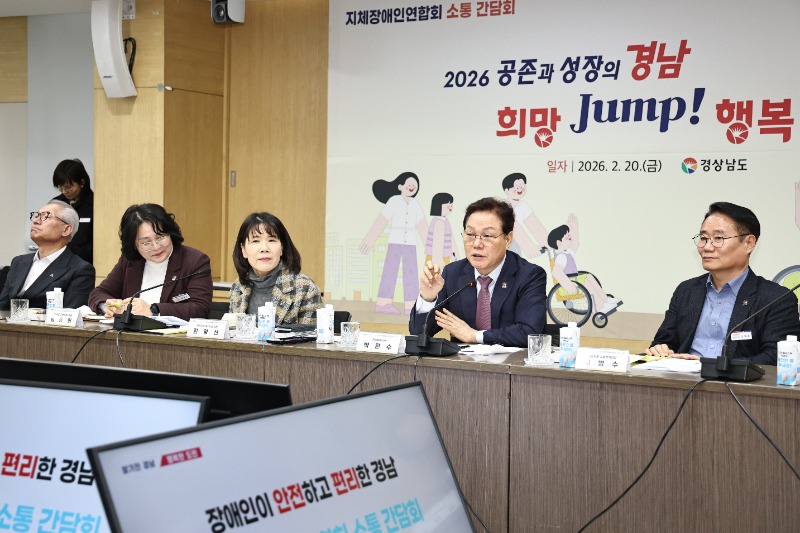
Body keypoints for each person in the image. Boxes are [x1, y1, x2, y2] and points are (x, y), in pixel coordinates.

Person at [646, 202, 800, 365]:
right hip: (683, 380)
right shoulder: (686, 291)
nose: (707, 247)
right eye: (703, 238)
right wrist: (660, 349)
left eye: (718, 238)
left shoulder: (776, 298)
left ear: (749, 243)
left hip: (736, 382)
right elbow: (664, 342)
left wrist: (712, 366)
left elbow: (775, 358)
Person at [409, 197, 547, 347]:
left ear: (508, 239)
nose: (476, 244)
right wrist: (428, 298)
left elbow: (529, 333)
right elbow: (419, 333)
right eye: (470, 234)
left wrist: (475, 336)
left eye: (487, 236)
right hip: (463, 361)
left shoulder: (529, 276)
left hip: (511, 361)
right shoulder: (452, 273)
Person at [88, 204, 212, 321]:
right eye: (146, 243)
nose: (156, 247)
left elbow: (200, 308)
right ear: (134, 245)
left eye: (160, 237)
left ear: (170, 233)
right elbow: (98, 293)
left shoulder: (194, 261)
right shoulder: (130, 261)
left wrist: (153, 310)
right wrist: (108, 307)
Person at [229, 212, 322, 324]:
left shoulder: (305, 288)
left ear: (282, 248)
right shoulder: (238, 287)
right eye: (256, 241)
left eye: (271, 240)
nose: (264, 248)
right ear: (243, 250)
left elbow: (310, 334)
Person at [0, 201, 95, 310]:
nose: (35, 221)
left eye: (46, 216)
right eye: (36, 216)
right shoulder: (19, 262)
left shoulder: (80, 269)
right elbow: (2, 306)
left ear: (66, 230)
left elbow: (70, 315)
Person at [360, 172, 427, 315]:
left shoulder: (415, 204)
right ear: (400, 186)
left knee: (411, 274)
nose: (412, 187)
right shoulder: (394, 201)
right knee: (390, 272)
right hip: (395, 241)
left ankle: (411, 305)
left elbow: (422, 226)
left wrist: (430, 245)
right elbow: (381, 220)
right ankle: (383, 303)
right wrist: (370, 239)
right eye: (409, 184)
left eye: (414, 185)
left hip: (410, 242)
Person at [547, 214, 621, 314]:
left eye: (569, 235)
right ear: (559, 243)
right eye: (567, 237)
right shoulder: (561, 257)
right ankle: (600, 307)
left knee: (589, 276)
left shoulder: (566, 253)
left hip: (573, 278)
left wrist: (574, 228)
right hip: (569, 284)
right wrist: (569, 285)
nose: (570, 237)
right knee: (586, 281)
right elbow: (556, 272)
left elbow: (575, 244)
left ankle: (605, 300)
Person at [51, 159, 94, 264]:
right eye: (60, 188)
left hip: (83, 262)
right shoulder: (55, 204)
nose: (64, 192)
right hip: (57, 262)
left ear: (82, 183)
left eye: (68, 187)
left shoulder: (94, 204)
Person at [425, 192, 459, 266]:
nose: (451, 208)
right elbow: (437, 245)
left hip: (444, 257)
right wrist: (438, 261)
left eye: (451, 205)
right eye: (448, 206)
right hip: (438, 258)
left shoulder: (445, 221)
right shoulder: (438, 222)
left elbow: (450, 239)